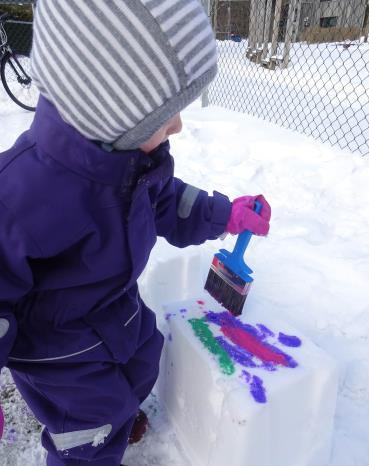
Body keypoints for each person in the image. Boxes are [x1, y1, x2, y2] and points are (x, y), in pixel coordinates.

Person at [0, 1, 271, 465]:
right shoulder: (21, 193)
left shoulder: (132, 162)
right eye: (164, 117)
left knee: (147, 355)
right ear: (107, 110)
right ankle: (93, 444)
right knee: (89, 423)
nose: (178, 126)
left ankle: (119, 420)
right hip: (55, 347)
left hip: (114, 311)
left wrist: (226, 215)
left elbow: (167, 201)